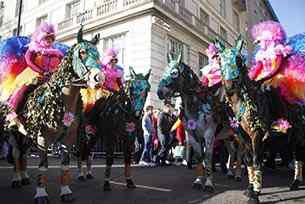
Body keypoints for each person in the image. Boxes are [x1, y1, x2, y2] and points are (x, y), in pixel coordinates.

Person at [4, 22, 64, 135]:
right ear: (41, 38)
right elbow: (29, 61)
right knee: (24, 90)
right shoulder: (33, 49)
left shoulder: (57, 54)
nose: (49, 41)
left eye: (51, 39)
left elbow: (60, 67)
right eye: (47, 38)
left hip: (50, 79)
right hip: (34, 75)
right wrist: (41, 71)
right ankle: (14, 116)